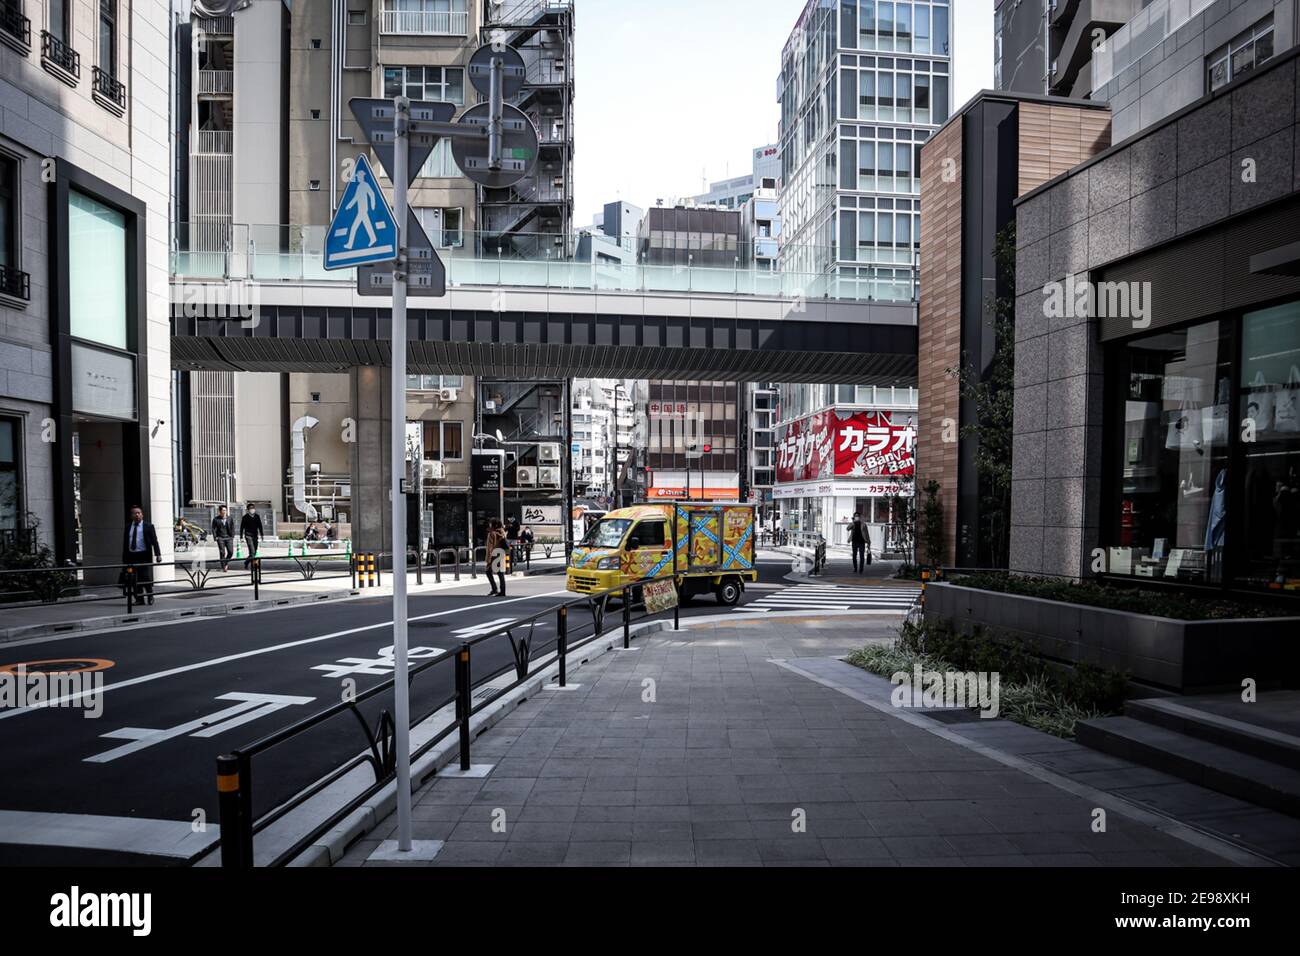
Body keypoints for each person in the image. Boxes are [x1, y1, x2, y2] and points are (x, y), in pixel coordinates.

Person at [122, 506, 162, 604]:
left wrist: (158, 554)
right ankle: (139, 599)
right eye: (134, 513)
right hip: (131, 556)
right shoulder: (128, 527)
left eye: (139, 513)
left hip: (143, 555)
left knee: (144, 577)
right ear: (131, 516)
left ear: (142, 514)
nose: (137, 515)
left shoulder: (148, 526)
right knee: (133, 578)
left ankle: (150, 595)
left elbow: (154, 541)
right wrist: (124, 558)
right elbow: (125, 543)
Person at [486, 518, 508, 597]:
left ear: (493, 525)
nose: (489, 524)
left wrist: (488, 559)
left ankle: (494, 589)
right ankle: (503, 591)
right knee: (500, 573)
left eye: (490, 523)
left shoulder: (492, 533)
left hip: (494, 554)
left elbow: (490, 547)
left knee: (488, 572)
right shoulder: (502, 532)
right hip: (501, 553)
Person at [240, 502, 265, 569]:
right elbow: (242, 527)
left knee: (254, 552)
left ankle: (246, 562)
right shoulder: (245, 517)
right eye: (251, 508)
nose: (252, 509)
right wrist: (241, 537)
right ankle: (254, 565)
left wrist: (262, 534)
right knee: (252, 551)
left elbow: (260, 526)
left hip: (255, 535)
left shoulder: (257, 516)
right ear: (248, 510)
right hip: (248, 536)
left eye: (253, 508)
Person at [211, 505, 235, 572]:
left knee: (230, 552)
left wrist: (232, 536)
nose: (224, 511)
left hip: (229, 537)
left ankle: (226, 562)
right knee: (222, 552)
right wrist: (215, 537)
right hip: (220, 538)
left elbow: (232, 527)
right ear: (220, 511)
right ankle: (223, 566)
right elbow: (213, 529)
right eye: (223, 510)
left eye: (225, 510)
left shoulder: (230, 518)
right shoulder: (216, 519)